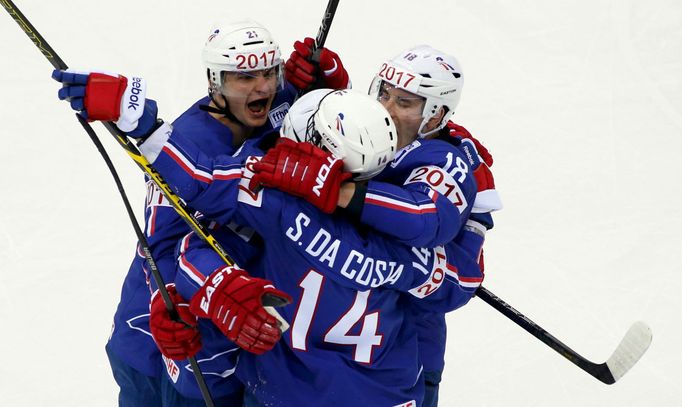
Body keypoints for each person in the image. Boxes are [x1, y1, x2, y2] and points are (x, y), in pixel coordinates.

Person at [51, 19, 346, 406]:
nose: (263, 87)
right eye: (244, 77)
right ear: (215, 82)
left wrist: (327, 87)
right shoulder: (185, 141)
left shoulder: (281, 102)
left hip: (237, 331)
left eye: (269, 72)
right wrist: (169, 299)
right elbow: (158, 247)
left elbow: (335, 134)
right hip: (161, 343)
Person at [144, 89, 484, 406]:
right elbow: (462, 280)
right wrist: (474, 215)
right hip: (389, 391)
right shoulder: (403, 235)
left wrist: (141, 127)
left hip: (286, 391)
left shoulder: (275, 206)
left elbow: (198, 203)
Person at [270, 43, 503, 406]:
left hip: (400, 359)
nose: (386, 110)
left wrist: (341, 190)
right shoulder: (376, 132)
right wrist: (320, 89)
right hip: (316, 344)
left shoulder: (454, 166)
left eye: (405, 103)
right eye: (384, 93)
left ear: (437, 113)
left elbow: (440, 243)